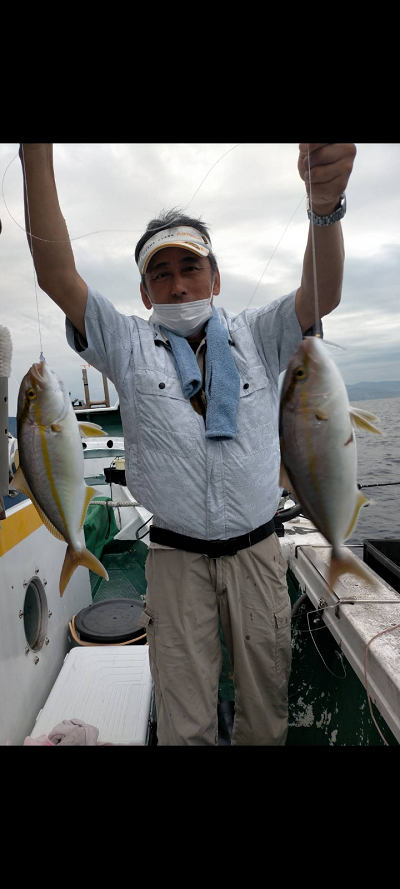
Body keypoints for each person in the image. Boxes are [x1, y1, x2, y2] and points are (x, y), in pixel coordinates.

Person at [19, 142, 356, 745]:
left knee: (265, 712)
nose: (178, 286)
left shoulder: (260, 334)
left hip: (257, 553)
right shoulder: (125, 343)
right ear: (145, 292)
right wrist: (35, 156)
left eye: (190, 268)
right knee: (185, 721)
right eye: (161, 274)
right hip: (174, 560)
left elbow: (321, 292)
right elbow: (57, 276)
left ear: (216, 277)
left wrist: (325, 208)